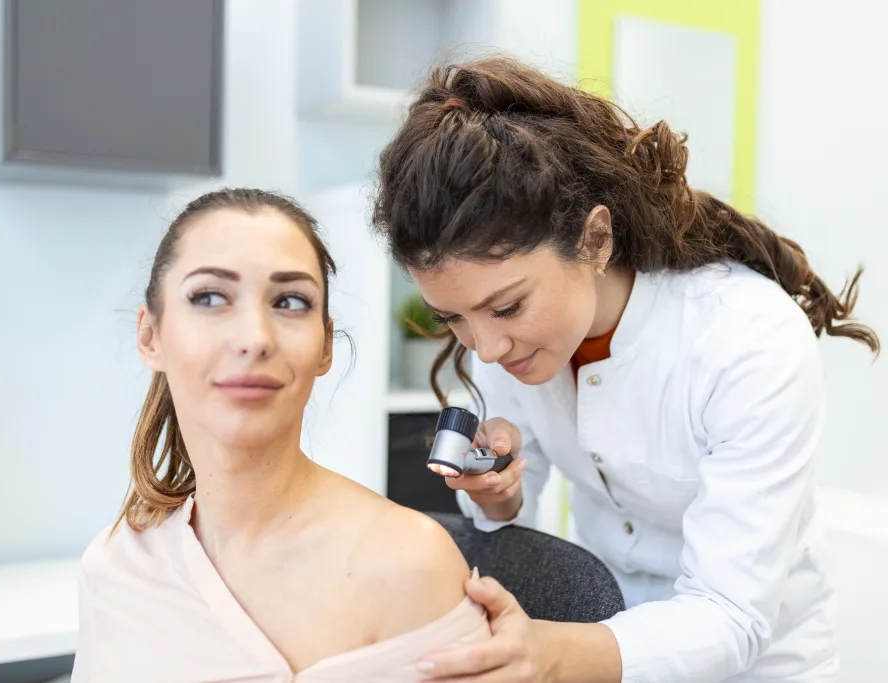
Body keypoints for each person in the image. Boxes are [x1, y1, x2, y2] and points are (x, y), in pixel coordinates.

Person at [371, 57, 879, 683]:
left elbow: (729, 615)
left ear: (594, 240)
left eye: (506, 306)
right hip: (599, 634)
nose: (488, 347)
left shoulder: (748, 342)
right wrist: (498, 495)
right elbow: (507, 524)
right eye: (452, 317)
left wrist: (548, 652)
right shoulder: (507, 341)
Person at [70, 189, 490, 683]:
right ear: (150, 336)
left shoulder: (411, 567)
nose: (255, 339)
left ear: (324, 347)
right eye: (209, 297)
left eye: (290, 301)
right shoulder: (116, 565)